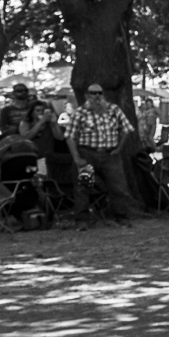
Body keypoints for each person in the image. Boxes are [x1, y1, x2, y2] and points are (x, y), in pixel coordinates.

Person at [63, 82, 135, 229]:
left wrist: (119, 148)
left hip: (110, 154)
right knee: (83, 187)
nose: (96, 96)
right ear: (86, 95)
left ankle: (121, 217)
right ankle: (82, 220)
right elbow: (69, 136)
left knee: (119, 187)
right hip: (87, 153)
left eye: (99, 93)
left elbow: (127, 129)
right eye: (92, 93)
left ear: (103, 95)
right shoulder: (80, 112)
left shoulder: (114, 110)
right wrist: (77, 158)